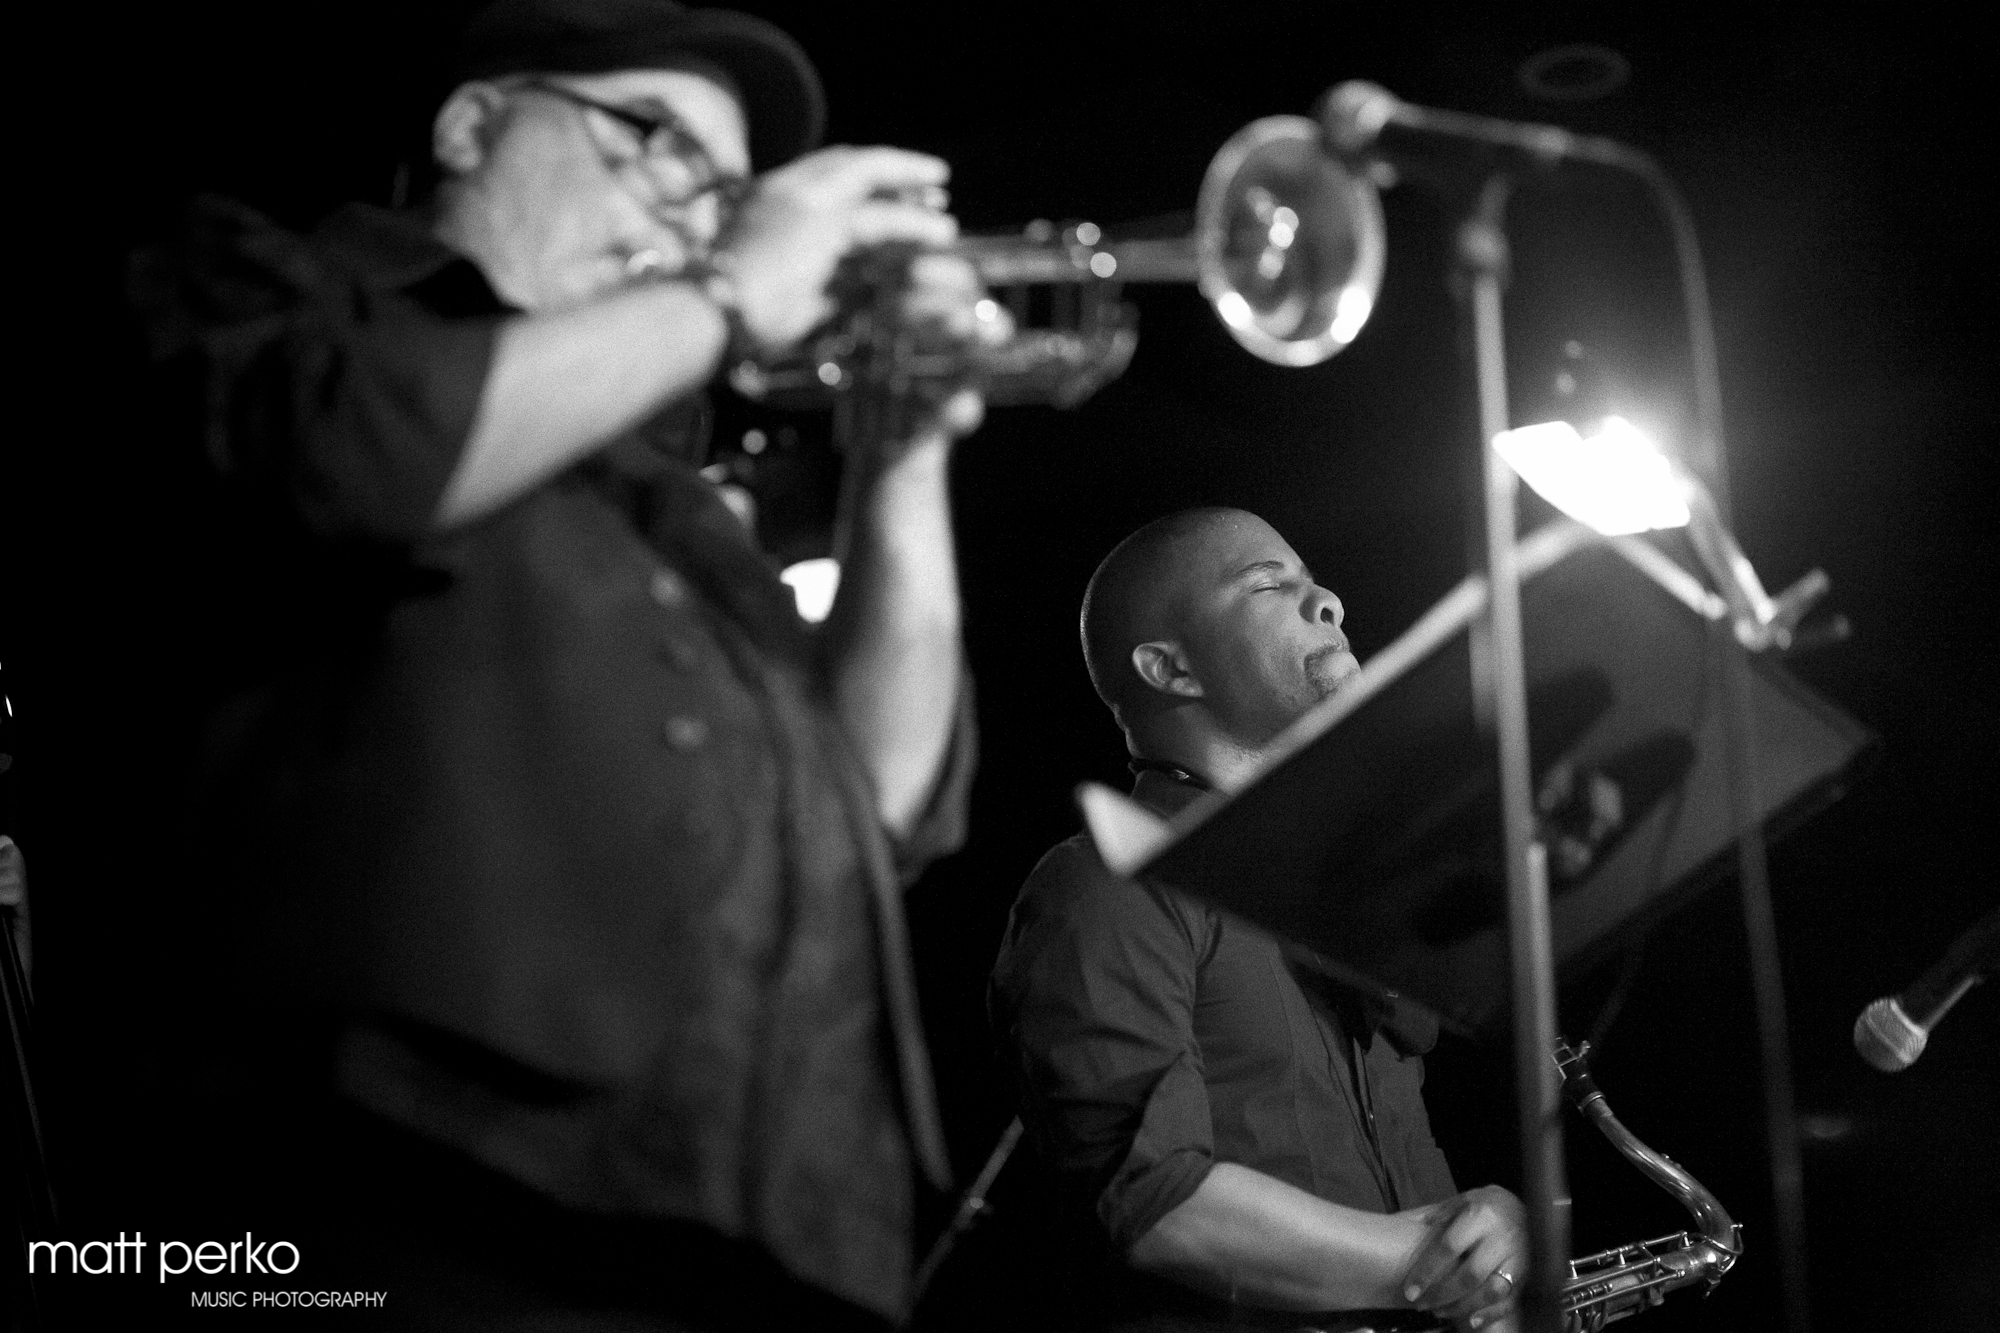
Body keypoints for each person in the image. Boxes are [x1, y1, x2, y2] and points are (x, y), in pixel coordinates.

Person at [130, 1, 1004, 1328]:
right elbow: (345, 453)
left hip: (793, 1241)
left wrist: (907, 452)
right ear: (474, 123)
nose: (689, 216)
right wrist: (724, 291)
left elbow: (882, 804)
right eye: (656, 143)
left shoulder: (682, 503)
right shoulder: (274, 289)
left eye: (723, 201)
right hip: (414, 1201)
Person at [990, 507, 1527, 1332]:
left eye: (1313, 580)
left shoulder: (1349, 897)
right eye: (1271, 585)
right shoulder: (1106, 882)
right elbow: (1156, 1203)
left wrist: (1492, 1228)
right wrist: (1432, 1271)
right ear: (1170, 668)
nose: (1330, 602)